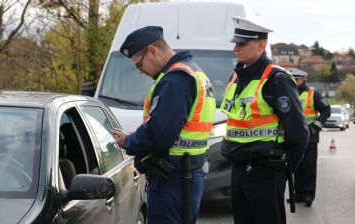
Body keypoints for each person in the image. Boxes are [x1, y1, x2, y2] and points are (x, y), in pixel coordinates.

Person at [111, 26, 216, 224]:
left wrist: (129, 141)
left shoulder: (175, 80)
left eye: (139, 64)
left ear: (152, 51)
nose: (140, 71)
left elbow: (159, 134)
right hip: (189, 175)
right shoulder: (194, 71)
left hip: (172, 181)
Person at [219, 16, 310, 224]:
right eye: (235, 43)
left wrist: (283, 170)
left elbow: (299, 134)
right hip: (238, 167)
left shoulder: (276, 80)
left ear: (261, 45)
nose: (236, 49)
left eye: (242, 44)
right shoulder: (236, 77)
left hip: (266, 171)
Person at [288, 68, 331, 207]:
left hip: (310, 136)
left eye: (297, 79)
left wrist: (315, 127)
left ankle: (308, 195)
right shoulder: (288, 91)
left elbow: (326, 110)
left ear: (303, 79)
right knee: (296, 166)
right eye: (293, 79)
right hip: (294, 137)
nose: (295, 82)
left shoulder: (313, 94)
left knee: (309, 166)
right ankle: (298, 194)